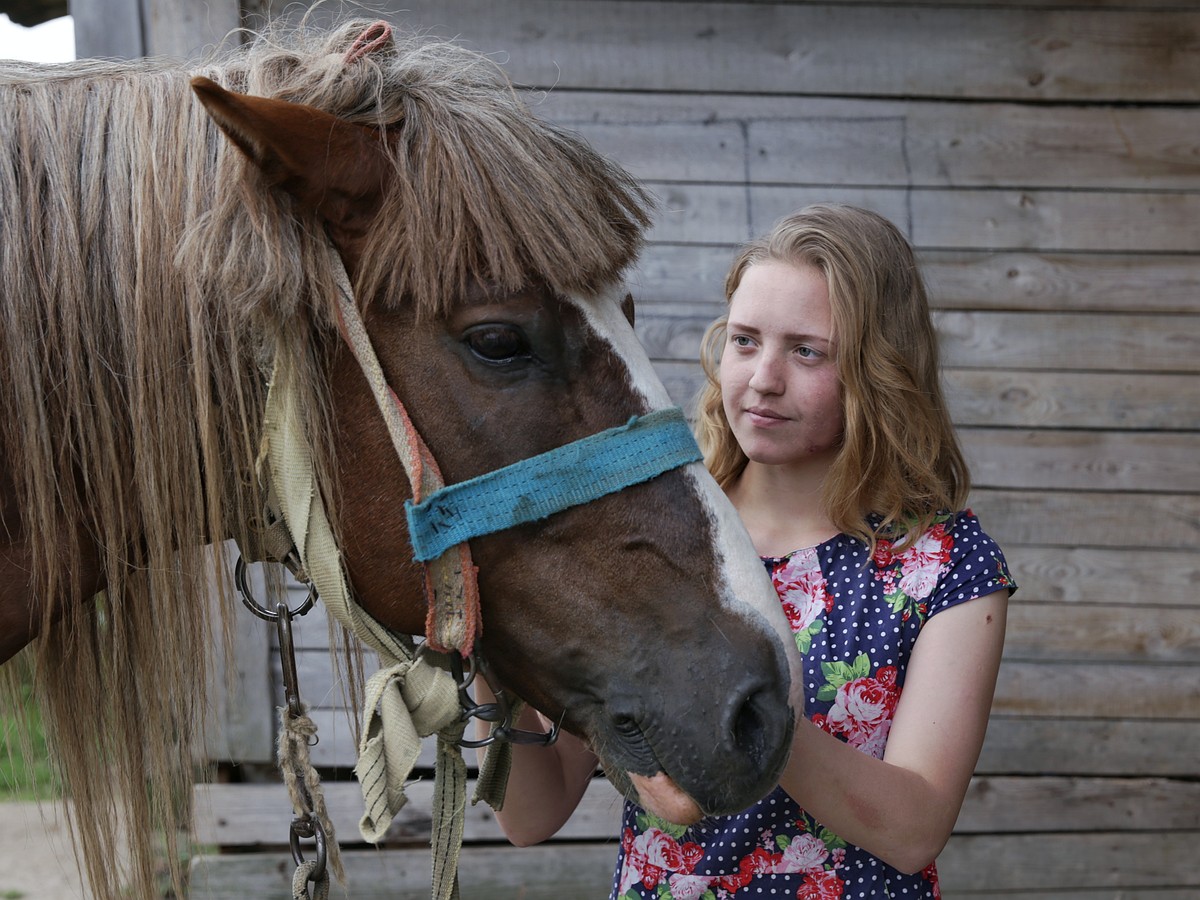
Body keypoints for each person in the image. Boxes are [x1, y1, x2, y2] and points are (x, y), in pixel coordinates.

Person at [476, 203, 1014, 899]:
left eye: (807, 350)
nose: (764, 378)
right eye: (746, 340)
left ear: (879, 370)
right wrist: (488, 652)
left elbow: (913, 831)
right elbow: (533, 813)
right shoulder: (647, 532)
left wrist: (739, 699)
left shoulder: (942, 563)